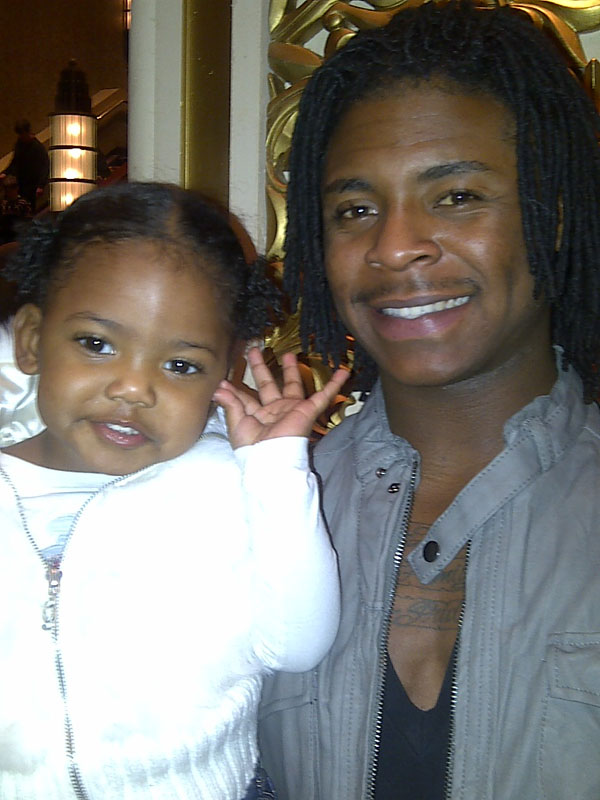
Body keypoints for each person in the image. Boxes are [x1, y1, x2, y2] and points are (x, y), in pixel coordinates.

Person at [258, 2, 600, 798]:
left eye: (456, 195)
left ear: (553, 214)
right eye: (355, 210)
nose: (393, 246)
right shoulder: (252, 517)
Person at [0, 181, 347, 799]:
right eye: (97, 344)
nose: (134, 388)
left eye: (181, 365)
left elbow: (296, 645)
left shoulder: (225, 487)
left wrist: (276, 471)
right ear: (31, 340)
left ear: (224, 376)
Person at [0, 118, 49, 212]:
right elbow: (15, 162)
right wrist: (5, 173)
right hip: (20, 182)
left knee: (28, 208)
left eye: (22, 134)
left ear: (27, 132)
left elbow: (45, 167)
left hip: (32, 185)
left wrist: (41, 185)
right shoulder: (19, 144)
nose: (21, 137)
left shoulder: (37, 148)